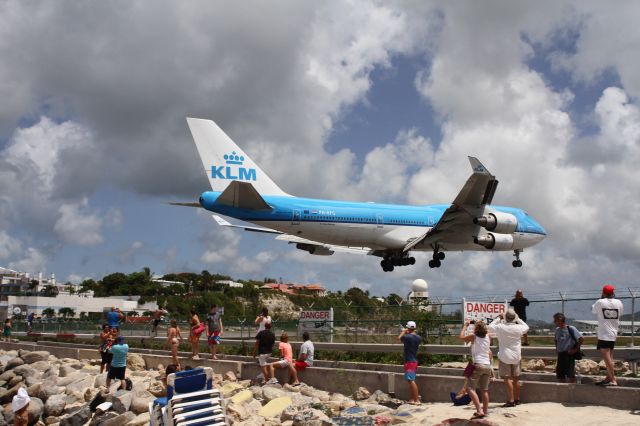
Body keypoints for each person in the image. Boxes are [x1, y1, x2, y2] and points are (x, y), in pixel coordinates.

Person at [488, 309, 529, 407]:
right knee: (516, 379)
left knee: (507, 379)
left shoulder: (500, 327)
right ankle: (517, 399)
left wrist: (499, 318)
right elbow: (527, 327)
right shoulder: (519, 327)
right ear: (514, 317)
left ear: (505, 317)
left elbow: (490, 327)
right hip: (516, 356)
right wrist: (518, 319)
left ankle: (510, 400)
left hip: (504, 356)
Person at [592, 284, 624, 387]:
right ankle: (608, 377)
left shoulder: (600, 302)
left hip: (604, 334)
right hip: (613, 333)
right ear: (613, 292)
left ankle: (613, 379)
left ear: (603, 293)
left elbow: (593, 310)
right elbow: (620, 313)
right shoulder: (619, 302)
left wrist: (602, 299)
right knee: (610, 357)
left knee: (606, 358)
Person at [553, 313, 584, 383]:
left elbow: (581, 338)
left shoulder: (571, 328)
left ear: (560, 320)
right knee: (560, 375)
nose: (554, 322)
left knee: (570, 374)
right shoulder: (557, 330)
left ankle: (572, 390)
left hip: (568, 354)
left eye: (555, 320)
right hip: (560, 354)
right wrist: (557, 349)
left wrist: (575, 349)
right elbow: (556, 340)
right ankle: (562, 390)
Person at [398, 321, 421, 405]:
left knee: (410, 380)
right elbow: (412, 337)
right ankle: (412, 399)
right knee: (410, 380)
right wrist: (407, 332)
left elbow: (399, 338)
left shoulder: (407, 337)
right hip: (414, 361)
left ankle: (417, 399)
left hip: (410, 361)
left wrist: (403, 332)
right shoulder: (418, 337)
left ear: (408, 328)